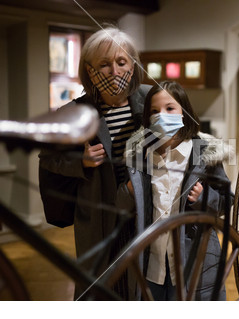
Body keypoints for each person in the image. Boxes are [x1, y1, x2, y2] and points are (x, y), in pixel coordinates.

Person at [38, 26, 151, 299]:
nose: (114, 71)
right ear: (90, 71)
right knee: (101, 288)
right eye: (104, 64)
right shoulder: (73, 112)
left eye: (121, 62)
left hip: (145, 214)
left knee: (145, 287)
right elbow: (49, 158)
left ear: (132, 65)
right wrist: (81, 161)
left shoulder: (152, 100)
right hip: (100, 218)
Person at [117, 80, 233, 300]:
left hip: (194, 264)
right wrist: (129, 191)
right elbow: (121, 206)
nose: (161, 115)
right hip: (151, 265)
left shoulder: (203, 155)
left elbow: (227, 200)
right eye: (153, 111)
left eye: (170, 108)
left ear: (184, 113)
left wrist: (203, 198)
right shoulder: (139, 157)